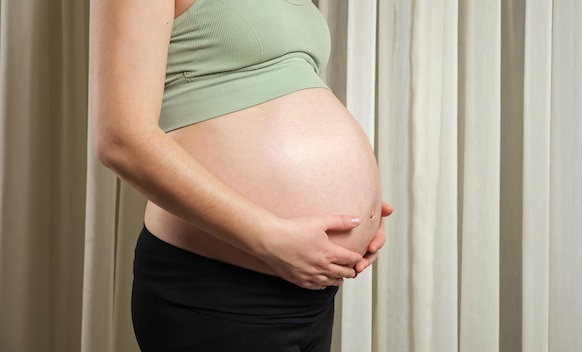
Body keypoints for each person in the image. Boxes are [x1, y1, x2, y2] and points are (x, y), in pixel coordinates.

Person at [89, 0, 392, 350]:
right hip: (218, 288)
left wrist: (356, 217)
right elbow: (120, 139)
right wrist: (271, 237)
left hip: (308, 294)